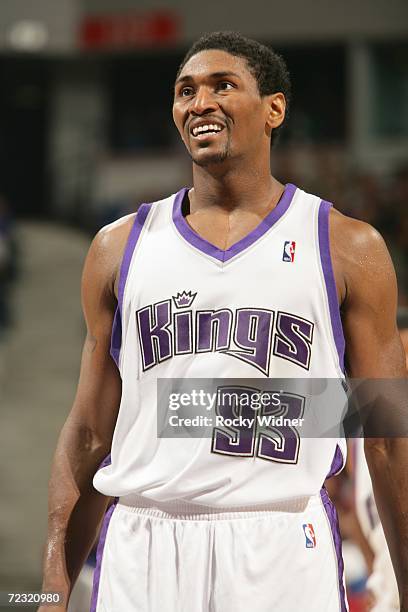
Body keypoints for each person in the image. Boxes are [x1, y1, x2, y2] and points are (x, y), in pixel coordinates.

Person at [40, 32, 408, 612]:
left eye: (223, 85)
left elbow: (385, 438)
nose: (199, 102)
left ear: (274, 110)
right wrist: (52, 587)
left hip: (281, 542)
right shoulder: (118, 248)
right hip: (144, 542)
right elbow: (89, 433)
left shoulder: (346, 245)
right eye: (185, 90)